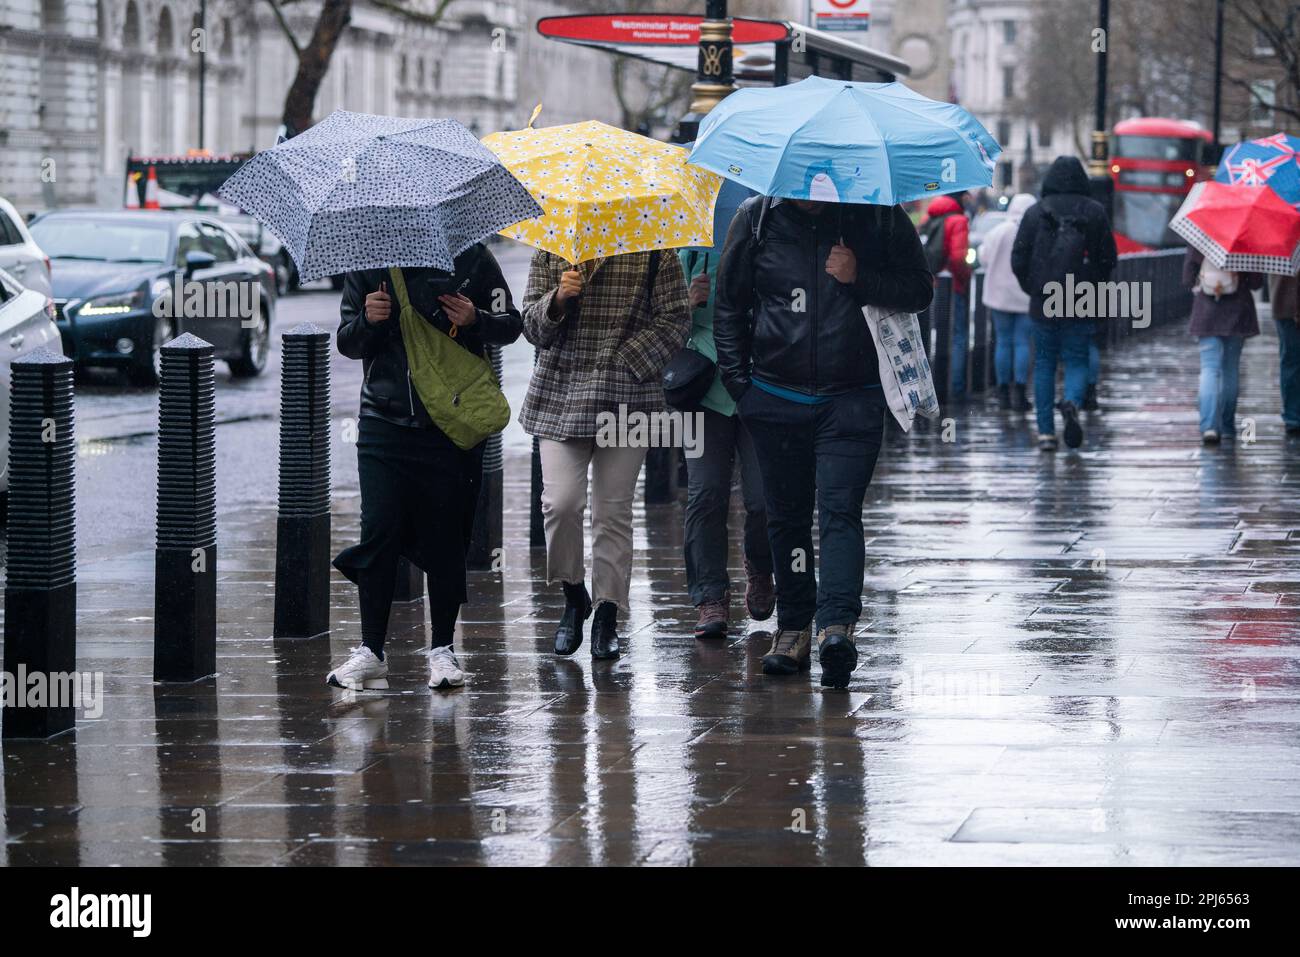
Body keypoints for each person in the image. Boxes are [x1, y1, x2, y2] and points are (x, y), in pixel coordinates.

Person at [715, 196, 932, 689]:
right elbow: (729, 304)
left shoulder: (877, 215)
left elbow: (920, 290)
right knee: (785, 514)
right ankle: (792, 628)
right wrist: (739, 386)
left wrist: (861, 277)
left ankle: (836, 627)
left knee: (839, 510)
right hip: (773, 396)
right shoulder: (756, 219)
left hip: (851, 398)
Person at [328, 244, 521, 692]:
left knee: (447, 537)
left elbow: (511, 325)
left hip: (451, 424)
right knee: (379, 532)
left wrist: (476, 319)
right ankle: (371, 651)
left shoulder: (471, 258)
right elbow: (347, 341)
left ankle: (443, 649)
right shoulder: (369, 260)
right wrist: (367, 322)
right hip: (383, 419)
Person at [522, 249, 689, 661]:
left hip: (627, 397)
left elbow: (676, 319)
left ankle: (607, 613)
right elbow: (529, 324)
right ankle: (574, 594)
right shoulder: (554, 247)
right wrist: (558, 300)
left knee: (612, 512)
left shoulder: (654, 250)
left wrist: (625, 361)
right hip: (560, 394)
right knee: (559, 504)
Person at [678, 248, 775, 639]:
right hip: (704, 387)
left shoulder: (766, 240)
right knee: (706, 493)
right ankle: (710, 596)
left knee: (764, 498)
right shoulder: (691, 251)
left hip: (760, 383)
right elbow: (660, 323)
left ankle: (760, 565)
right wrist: (687, 302)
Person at [1011, 156, 1118, 451]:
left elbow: (1018, 259)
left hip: (1043, 300)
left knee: (1044, 364)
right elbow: (1108, 259)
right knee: (1076, 359)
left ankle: (1046, 432)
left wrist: (1033, 288)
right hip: (1081, 300)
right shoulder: (1095, 211)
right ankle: (1071, 401)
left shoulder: (1035, 212)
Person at [1183, 248, 1262, 444]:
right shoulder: (1246, 240)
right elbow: (1256, 283)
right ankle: (1227, 426)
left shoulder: (1201, 236)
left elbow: (1187, 279)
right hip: (1237, 313)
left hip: (1207, 313)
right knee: (1230, 370)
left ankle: (1209, 426)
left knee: (1209, 369)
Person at [980, 192, 1036, 411]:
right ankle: (1020, 392)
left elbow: (984, 257)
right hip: (1025, 295)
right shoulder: (1034, 233)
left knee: (1003, 341)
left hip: (999, 295)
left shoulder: (998, 232)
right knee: (1022, 342)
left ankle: (1003, 391)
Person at [921, 191, 971, 397]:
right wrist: (964, 277)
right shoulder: (958, 220)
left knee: (930, 333)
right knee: (957, 334)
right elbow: (959, 257)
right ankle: (954, 387)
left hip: (931, 282)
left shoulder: (928, 218)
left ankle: (931, 385)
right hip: (951, 287)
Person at [1268, 270, 1300, 436]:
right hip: (1285, 306)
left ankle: (1292, 416)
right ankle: (1292, 416)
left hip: (1283, 302)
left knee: (1290, 361)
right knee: (1290, 360)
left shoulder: (1278, 244)